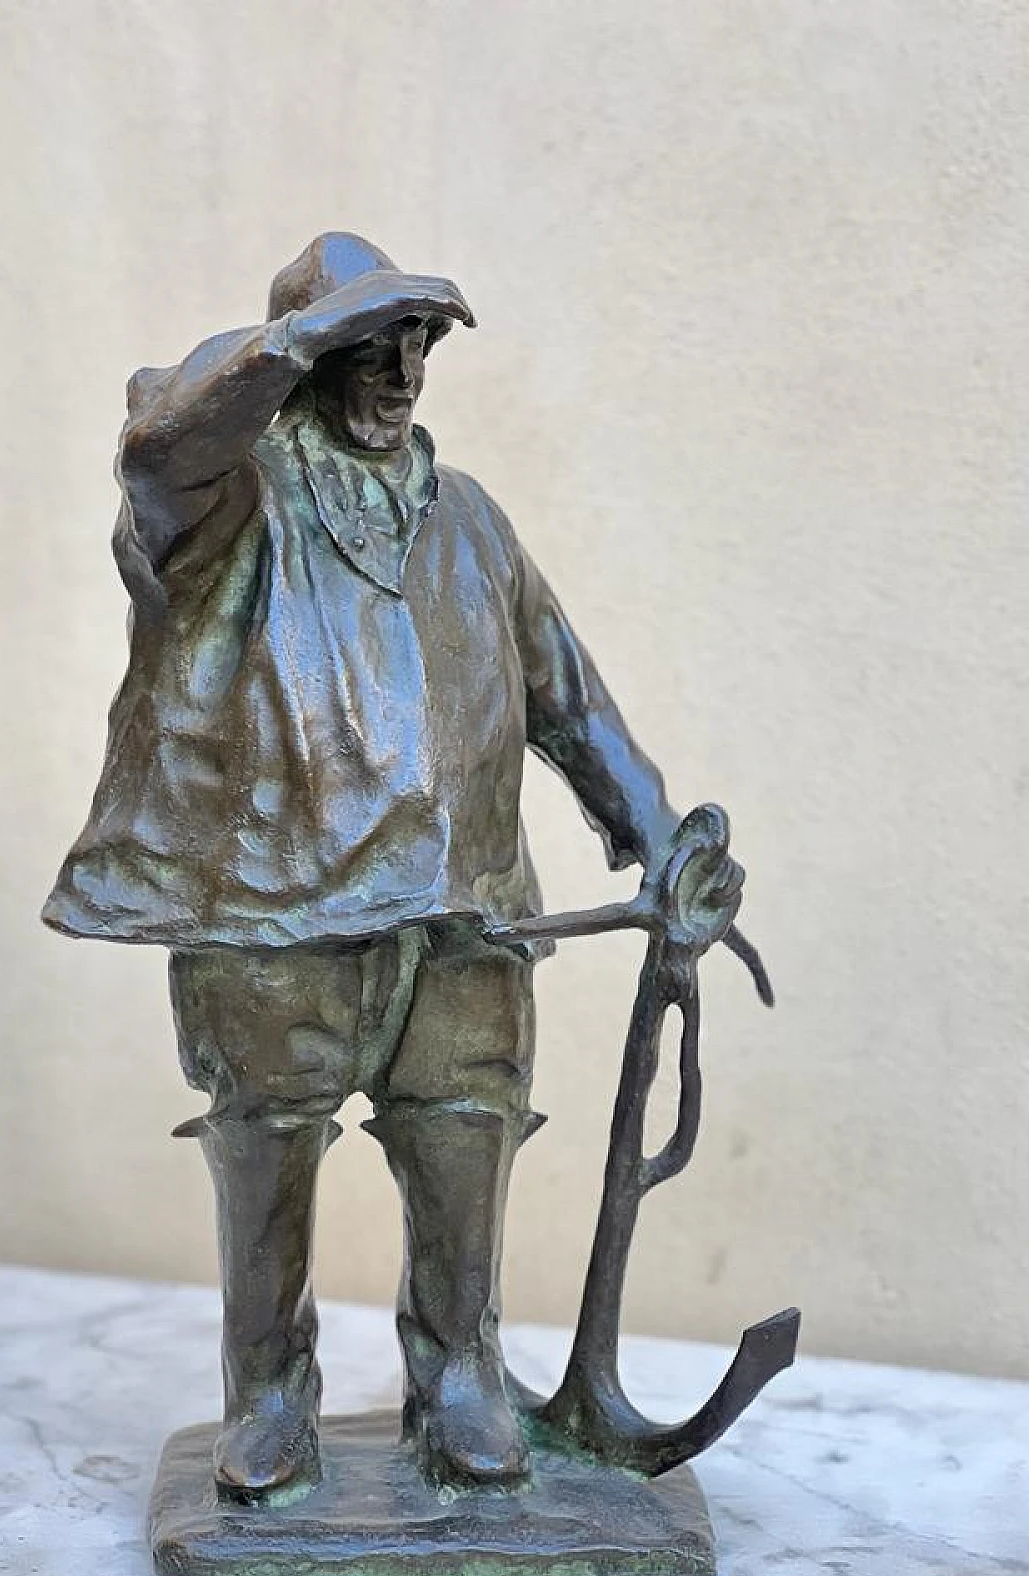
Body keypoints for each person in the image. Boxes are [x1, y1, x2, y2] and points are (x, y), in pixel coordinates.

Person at [43, 231, 740, 1500]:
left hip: (466, 911)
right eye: (369, 339)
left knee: (464, 1131)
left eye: (417, 340)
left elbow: (561, 695)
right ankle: (265, 1396)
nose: (401, 366)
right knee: (265, 1143)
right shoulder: (228, 496)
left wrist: (655, 828)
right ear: (305, 357)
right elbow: (157, 446)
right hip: (275, 909)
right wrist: (287, 340)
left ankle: (459, 1377)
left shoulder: (468, 517)